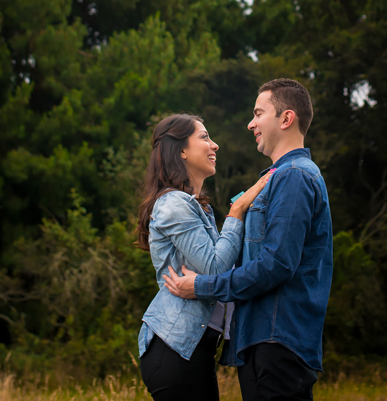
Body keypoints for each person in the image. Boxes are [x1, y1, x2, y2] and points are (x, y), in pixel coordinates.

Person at [163, 78, 333, 401]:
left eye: (258, 113)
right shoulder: (276, 178)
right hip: (262, 340)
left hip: (278, 341)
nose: (250, 123)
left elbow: (275, 265)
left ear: (286, 119)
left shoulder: (294, 176)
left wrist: (201, 286)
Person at [136, 113, 274, 401]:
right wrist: (237, 213)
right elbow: (215, 267)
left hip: (193, 350)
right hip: (174, 349)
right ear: (181, 150)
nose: (215, 145)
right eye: (204, 137)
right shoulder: (174, 203)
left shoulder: (198, 209)